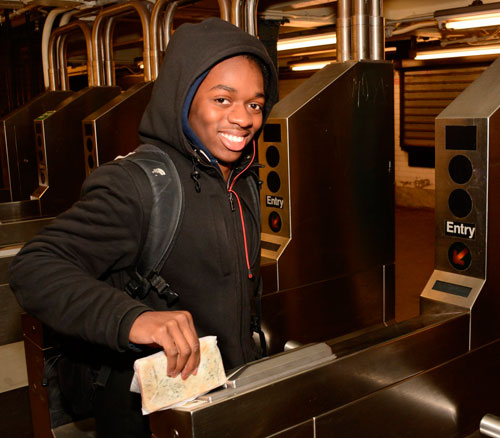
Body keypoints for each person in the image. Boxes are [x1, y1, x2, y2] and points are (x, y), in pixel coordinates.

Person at [9, 17, 278, 437]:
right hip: (148, 414)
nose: (243, 119)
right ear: (183, 98)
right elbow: (35, 267)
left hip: (222, 399)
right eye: (223, 100)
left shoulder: (241, 182)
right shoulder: (137, 185)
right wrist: (134, 318)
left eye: (255, 104)